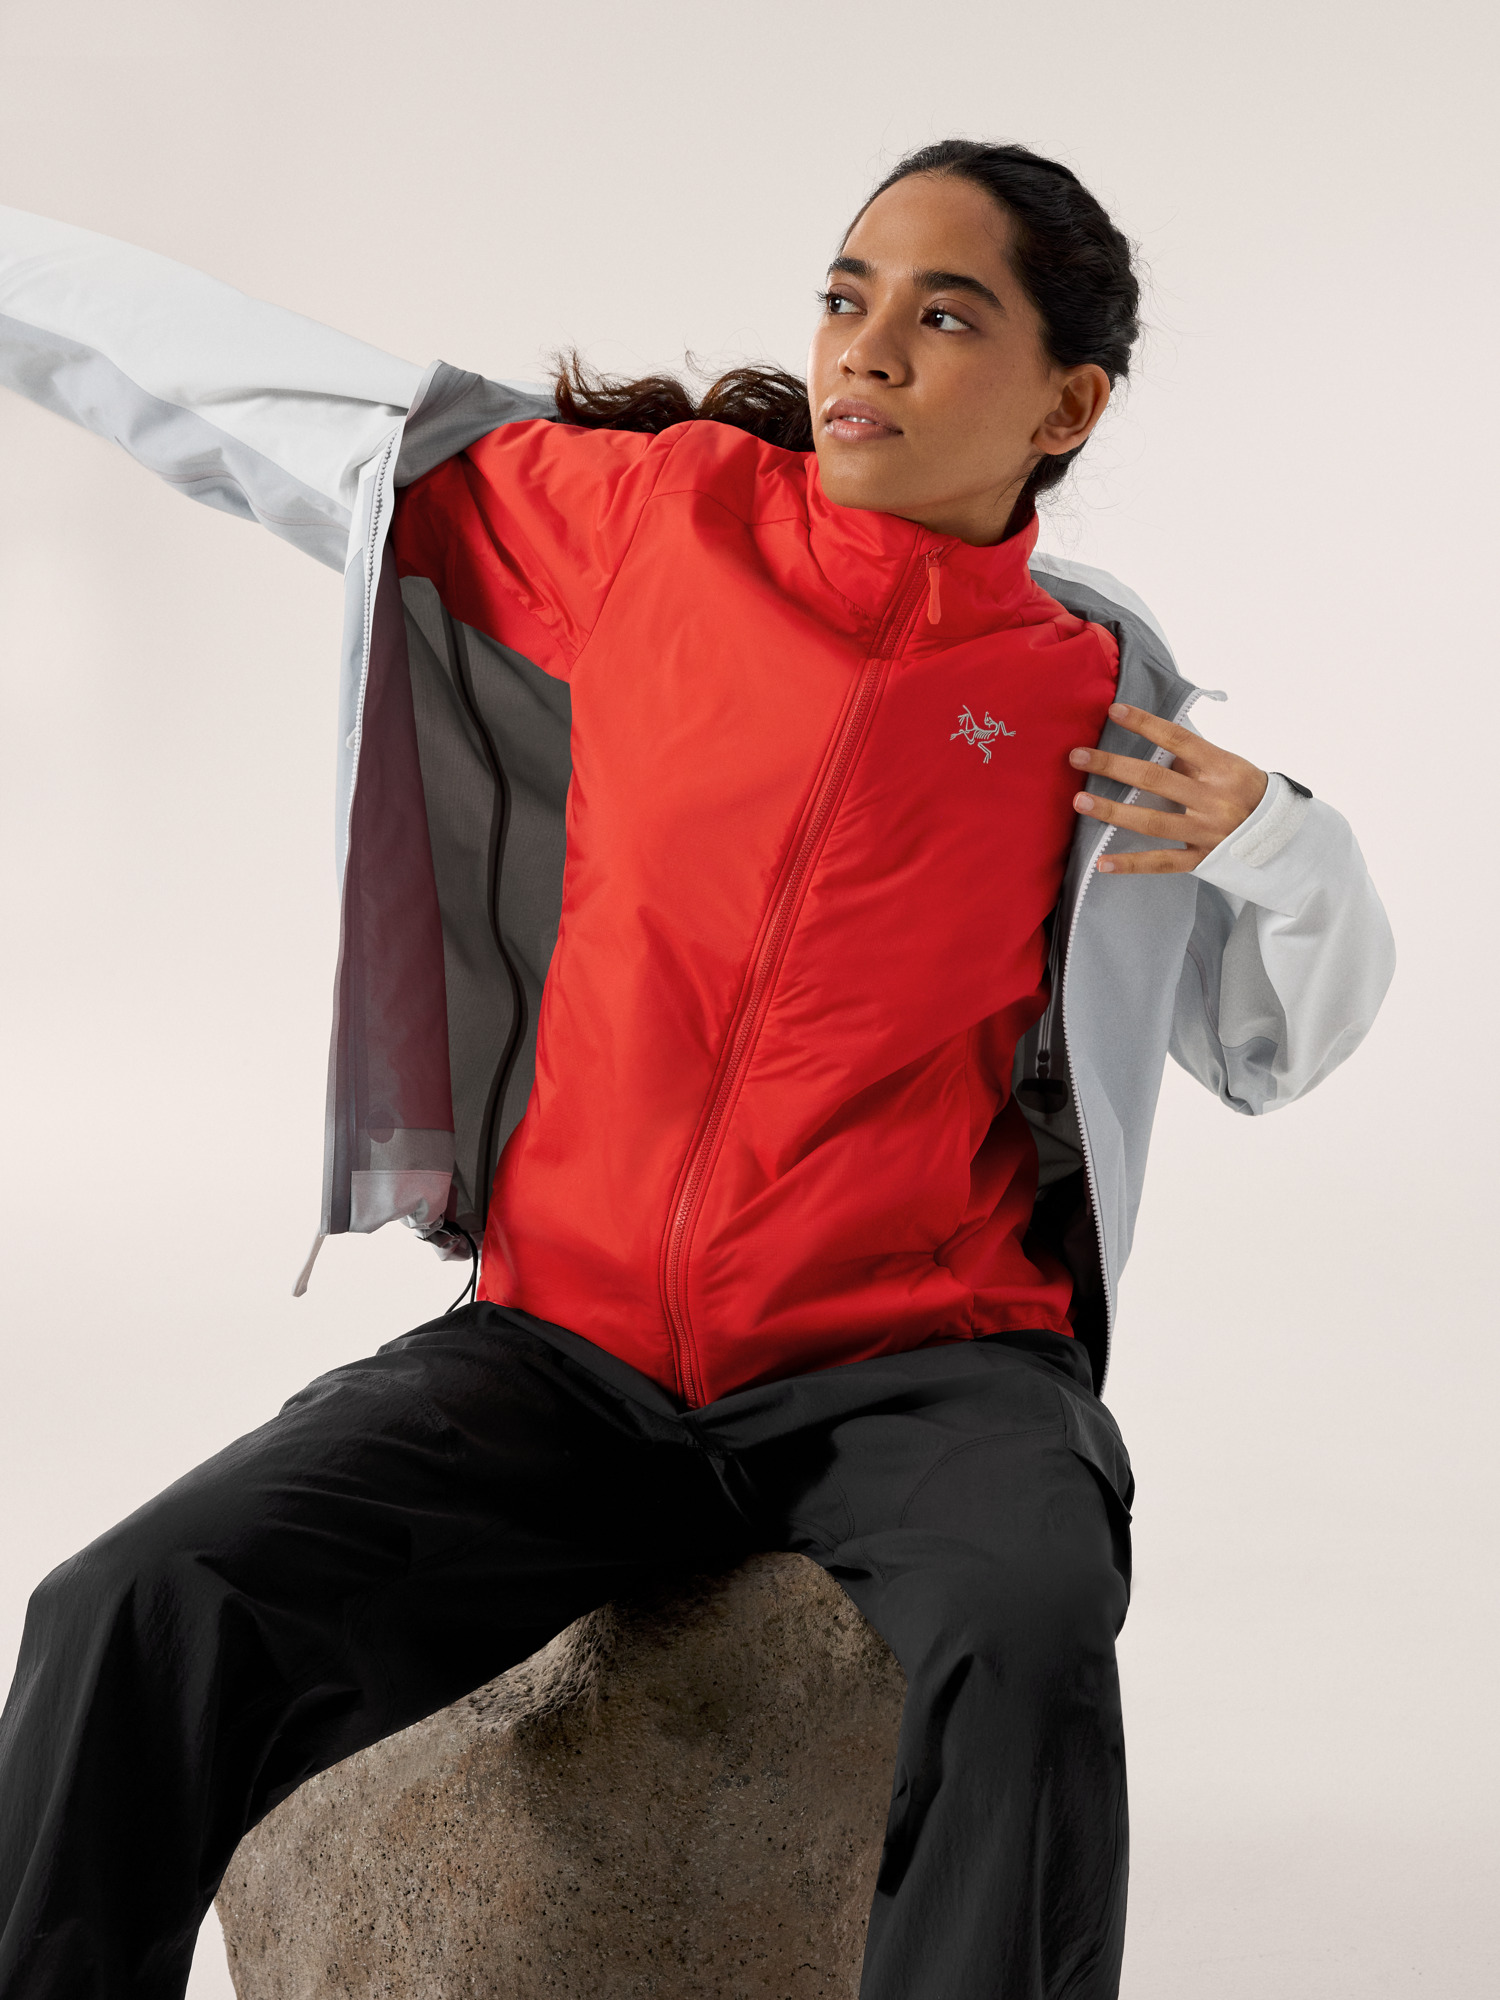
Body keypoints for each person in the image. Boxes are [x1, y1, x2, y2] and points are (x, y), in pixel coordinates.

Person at [0, 140, 1394, 1999]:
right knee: (131, 1605)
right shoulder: (652, 527)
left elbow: (1272, 1046)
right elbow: (266, 403)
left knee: (1029, 1620)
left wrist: (1289, 844)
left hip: (921, 1372)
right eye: (846, 296)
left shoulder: (1093, 693)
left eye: (944, 314)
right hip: (564, 1355)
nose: (866, 348)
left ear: (1068, 406)